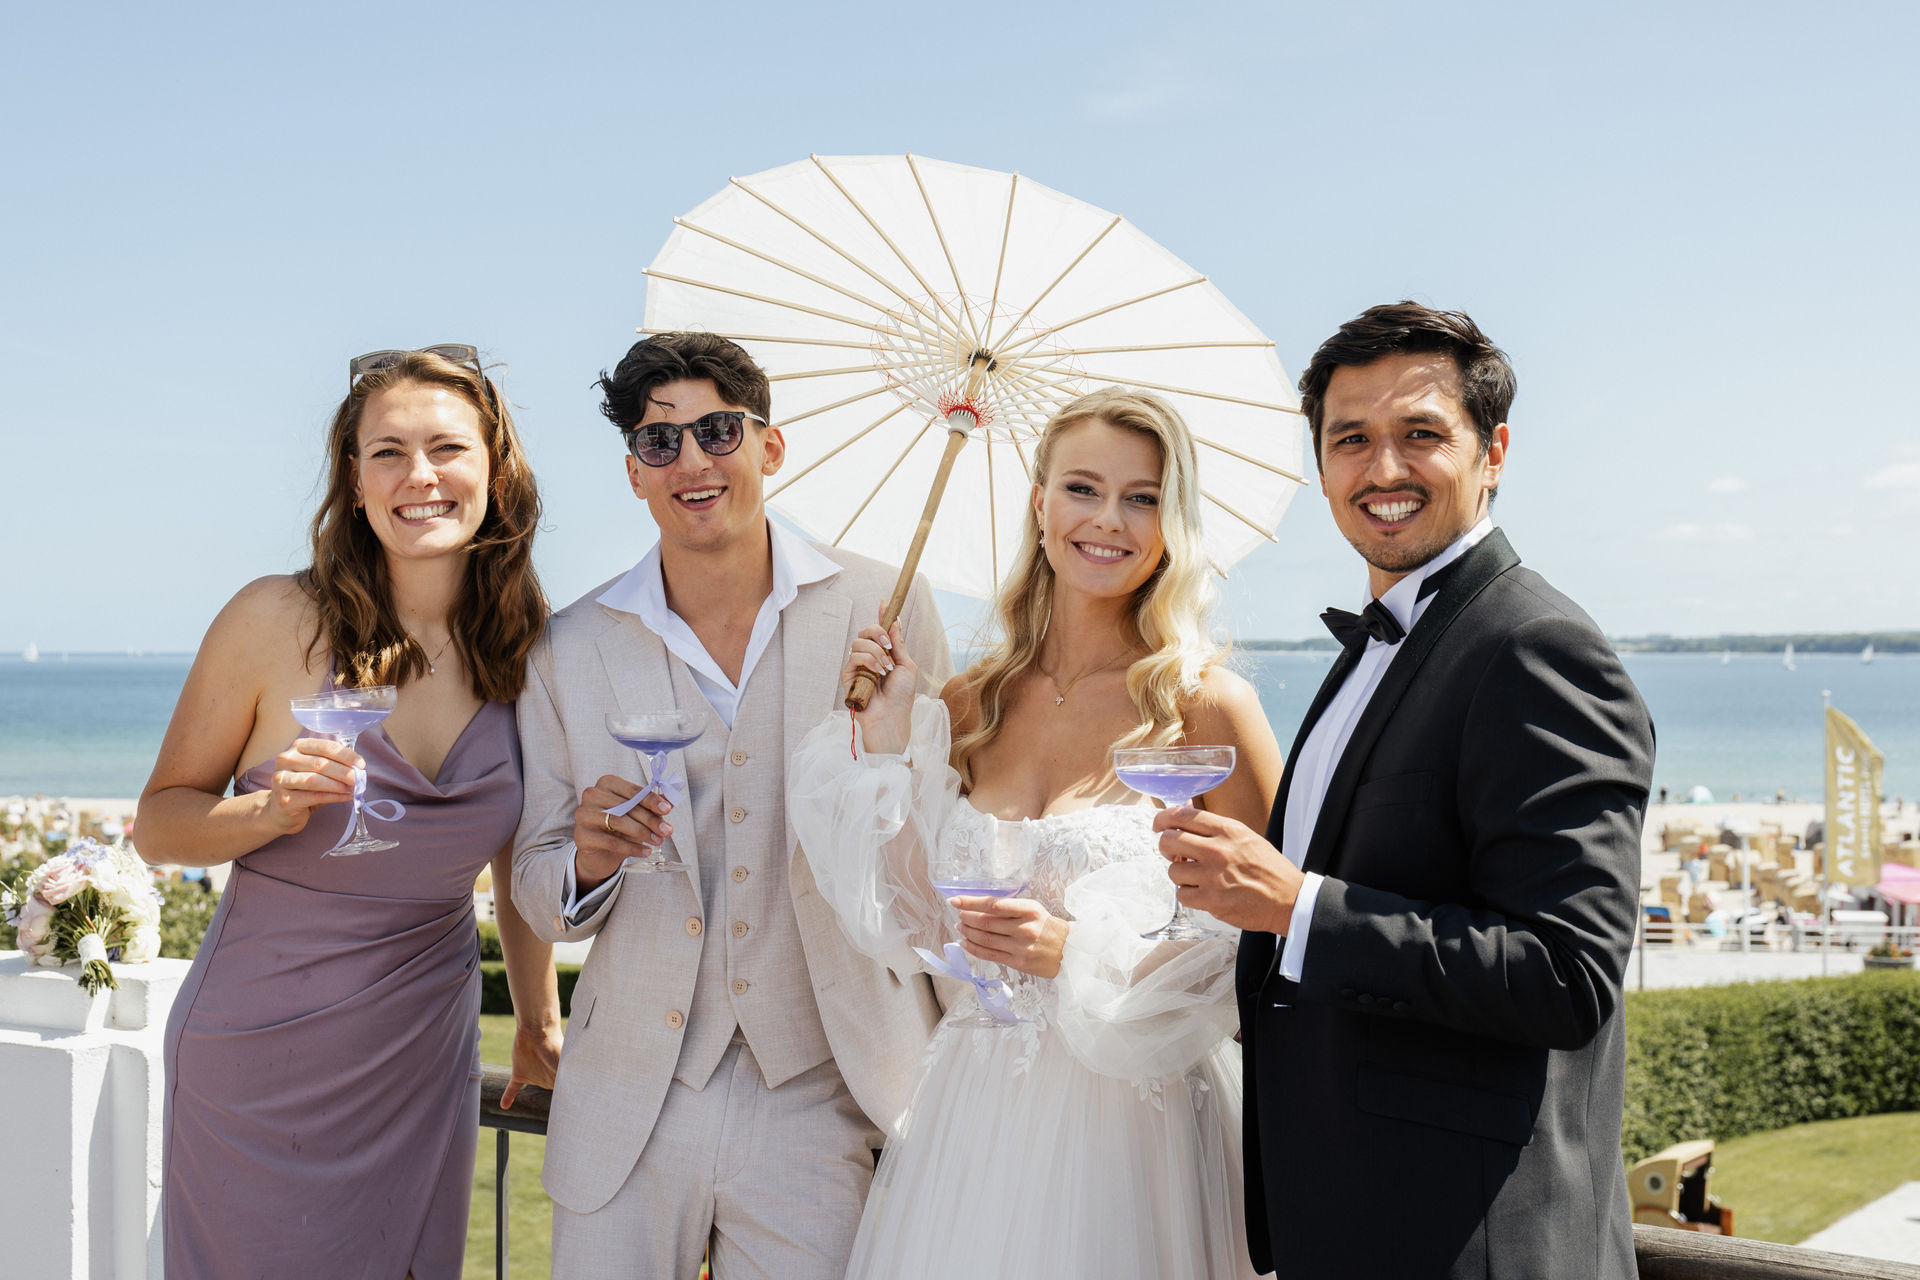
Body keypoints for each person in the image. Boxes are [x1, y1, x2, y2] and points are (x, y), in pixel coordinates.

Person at [1158, 303, 1654, 1279]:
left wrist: (1294, 903)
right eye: (1352, 439)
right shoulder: (1378, 642)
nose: (1382, 469)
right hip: (1349, 1221)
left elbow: (1566, 975)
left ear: (1493, 450)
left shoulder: (1536, 647)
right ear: (1323, 465)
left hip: (1474, 1239)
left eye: (1421, 433)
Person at [787, 388, 1284, 1279]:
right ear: (1039, 502)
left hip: (1144, 1132)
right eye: (1083, 488)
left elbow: (1268, 944)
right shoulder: (970, 703)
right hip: (974, 1120)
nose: (1109, 520)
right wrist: (897, 734)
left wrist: (1076, 953)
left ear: (1173, 523)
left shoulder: (1206, 706)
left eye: (1143, 497)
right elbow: (918, 920)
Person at [510, 332, 952, 1280]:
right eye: (660, 443)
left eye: (717, 431)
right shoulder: (569, 647)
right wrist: (586, 862)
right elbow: (536, 890)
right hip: (632, 1090)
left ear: (770, 447)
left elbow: (936, 850)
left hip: (824, 1085)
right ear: (634, 473)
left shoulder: (885, 608)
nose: (693, 462)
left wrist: (886, 746)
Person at [140, 346, 562, 1279]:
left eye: (448, 448)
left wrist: (537, 1019)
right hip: (257, 1051)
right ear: (353, 480)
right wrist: (264, 816)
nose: (420, 476)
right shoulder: (271, 619)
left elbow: (518, 858)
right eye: (388, 452)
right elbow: (161, 823)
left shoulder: (529, 647)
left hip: (420, 1050)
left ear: (494, 470)